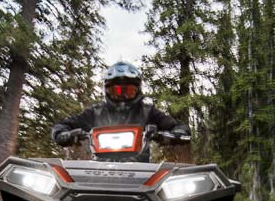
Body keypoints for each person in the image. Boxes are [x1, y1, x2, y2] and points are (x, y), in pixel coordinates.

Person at [50, 62, 190, 160]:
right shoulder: (95, 112)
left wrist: (175, 134)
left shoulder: (148, 112)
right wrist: (63, 134)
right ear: (107, 91)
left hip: (142, 169)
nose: (122, 96)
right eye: (116, 91)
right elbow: (63, 125)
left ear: (138, 90)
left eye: (128, 91)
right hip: (98, 169)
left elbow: (178, 126)